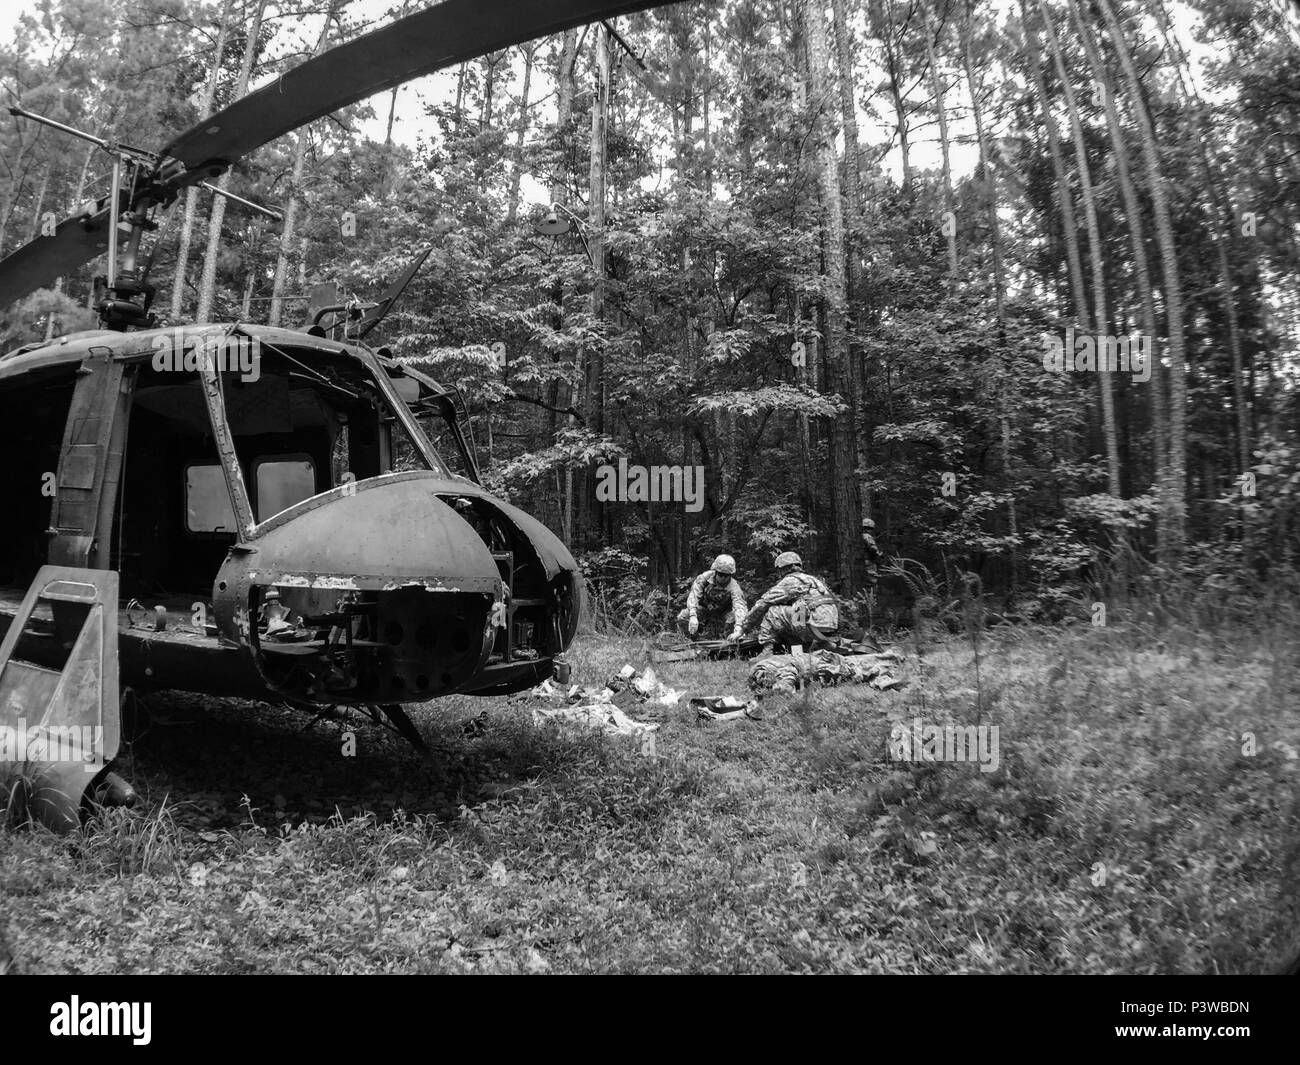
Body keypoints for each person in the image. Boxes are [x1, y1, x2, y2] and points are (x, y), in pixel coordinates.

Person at [741, 551, 839, 655]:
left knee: (772, 611)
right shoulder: (812, 579)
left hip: (812, 625)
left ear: (782, 569)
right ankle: (812, 647)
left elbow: (763, 604)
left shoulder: (789, 581)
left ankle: (766, 652)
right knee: (795, 612)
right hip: (830, 628)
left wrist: (744, 628)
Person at [677, 554, 747, 641]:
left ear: (730, 575)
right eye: (721, 574)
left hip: (724, 614)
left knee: (734, 620)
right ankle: (692, 640)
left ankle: (728, 645)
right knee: (683, 616)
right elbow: (694, 596)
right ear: (715, 572)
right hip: (705, 610)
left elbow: (739, 607)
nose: (723, 578)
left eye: (726, 575)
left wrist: (739, 628)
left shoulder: (734, 588)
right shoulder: (704, 578)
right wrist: (693, 616)